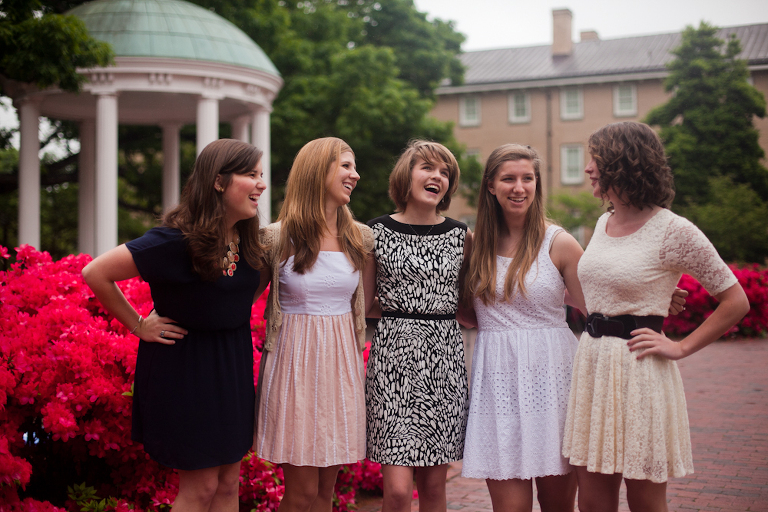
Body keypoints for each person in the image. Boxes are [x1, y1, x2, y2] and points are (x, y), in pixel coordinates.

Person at [562, 121, 750, 512]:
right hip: (594, 366)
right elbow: (608, 286)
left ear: (623, 163)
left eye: (596, 159)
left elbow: (736, 301)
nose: (588, 169)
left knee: (645, 500)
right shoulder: (603, 221)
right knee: (593, 501)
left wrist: (680, 347)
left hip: (639, 370)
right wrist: (655, 294)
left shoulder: (674, 230)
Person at [82, 139, 267, 511]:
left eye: (261, 175)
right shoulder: (173, 241)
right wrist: (139, 325)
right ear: (218, 181)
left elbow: (247, 291)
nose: (261, 184)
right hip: (186, 372)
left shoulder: (249, 241)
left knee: (230, 483)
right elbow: (95, 272)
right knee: (200, 488)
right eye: (251, 175)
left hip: (231, 368)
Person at [460, 144, 585, 512]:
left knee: (557, 506)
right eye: (509, 179)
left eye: (527, 178)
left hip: (554, 380)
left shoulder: (559, 242)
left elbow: (596, 306)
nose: (519, 187)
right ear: (490, 186)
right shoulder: (475, 244)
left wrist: (652, 297)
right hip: (496, 384)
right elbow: (467, 314)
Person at [253, 137, 374, 512]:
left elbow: (368, 305)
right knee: (302, 493)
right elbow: (239, 300)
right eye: (346, 166)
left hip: (341, 364)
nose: (355, 174)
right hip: (294, 364)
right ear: (317, 170)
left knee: (325, 493)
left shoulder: (361, 238)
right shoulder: (275, 238)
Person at [364, 140, 471, 512]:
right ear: (406, 175)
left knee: (434, 488)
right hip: (392, 358)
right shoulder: (375, 232)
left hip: (444, 359)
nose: (436, 176)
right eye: (427, 167)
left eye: (444, 172)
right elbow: (362, 304)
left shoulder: (462, 236)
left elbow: (470, 305)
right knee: (395, 491)